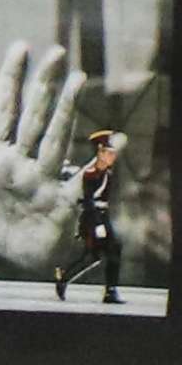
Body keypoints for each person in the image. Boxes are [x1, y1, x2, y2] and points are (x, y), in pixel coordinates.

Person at [51, 126, 130, 300]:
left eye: (113, 153)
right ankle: (64, 277)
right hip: (92, 219)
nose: (113, 157)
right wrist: (98, 224)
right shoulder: (91, 174)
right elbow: (88, 201)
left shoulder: (106, 172)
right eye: (109, 153)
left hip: (102, 216)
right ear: (100, 152)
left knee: (109, 251)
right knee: (95, 255)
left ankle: (110, 291)